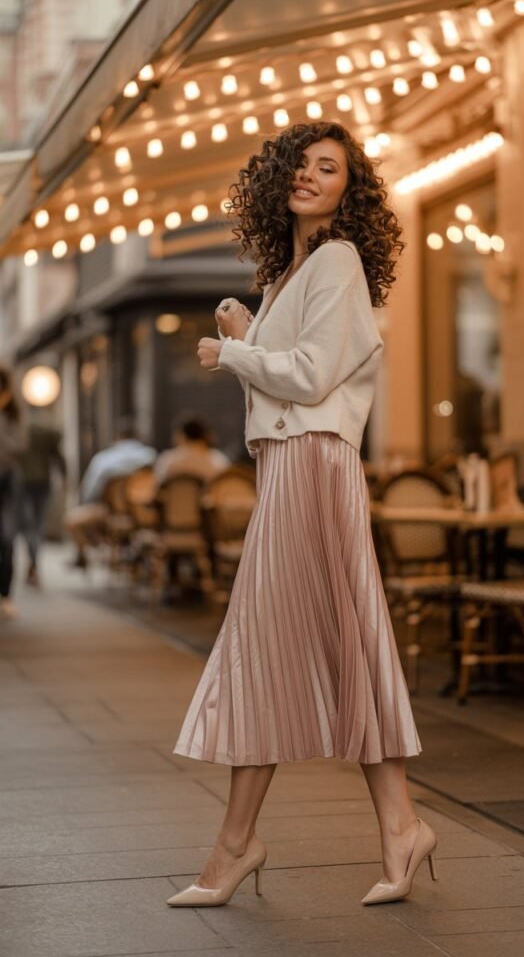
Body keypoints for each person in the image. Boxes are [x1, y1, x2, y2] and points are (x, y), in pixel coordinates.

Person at [169, 122, 435, 910]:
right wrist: (250, 335)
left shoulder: (339, 260)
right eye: (304, 164)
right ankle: (400, 827)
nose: (313, 176)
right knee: (339, 644)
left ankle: (235, 848)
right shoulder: (290, 272)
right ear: (279, 176)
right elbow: (289, 386)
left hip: (314, 467)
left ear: (349, 193)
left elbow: (314, 377)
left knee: (270, 648)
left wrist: (234, 355)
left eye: (332, 169)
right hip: (295, 467)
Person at [65, 419, 156, 567]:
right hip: (145, 514)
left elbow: (90, 492)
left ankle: (88, 556)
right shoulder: (150, 456)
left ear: (118, 437)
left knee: (72, 519)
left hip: (110, 514)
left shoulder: (104, 458)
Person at [18, 419, 65, 586]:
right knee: (37, 525)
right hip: (40, 483)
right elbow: (59, 457)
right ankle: (33, 561)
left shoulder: (19, 430)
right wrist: (64, 476)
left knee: (30, 526)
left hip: (23, 484)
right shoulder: (46, 432)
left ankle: (33, 561)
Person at [0, 366, 27, 618]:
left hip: (7, 479)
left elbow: (19, 445)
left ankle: (5, 593)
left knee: (7, 537)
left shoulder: (13, 412)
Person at [154, 415, 231, 487]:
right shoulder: (218, 461)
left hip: (174, 500)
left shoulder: (168, 460)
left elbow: (158, 485)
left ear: (181, 435)